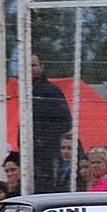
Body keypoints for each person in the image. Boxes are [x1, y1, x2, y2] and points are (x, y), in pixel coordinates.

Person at [28, 54, 72, 194]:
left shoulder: (51, 90)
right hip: (30, 150)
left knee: (48, 183)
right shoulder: (25, 91)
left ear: (41, 67)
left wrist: (45, 138)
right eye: (27, 66)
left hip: (49, 151)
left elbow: (66, 121)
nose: (31, 69)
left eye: (34, 65)